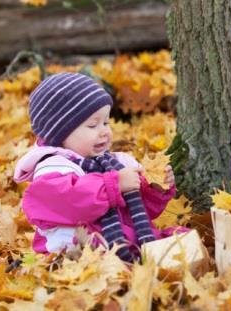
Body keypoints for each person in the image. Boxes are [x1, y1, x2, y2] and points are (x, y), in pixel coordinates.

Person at [14, 72, 177, 262]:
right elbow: (71, 203)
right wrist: (113, 186)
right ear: (60, 134)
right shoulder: (52, 168)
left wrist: (154, 190)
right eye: (93, 125)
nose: (105, 132)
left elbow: (138, 213)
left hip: (123, 241)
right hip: (77, 253)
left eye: (106, 122)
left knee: (177, 240)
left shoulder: (115, 162)